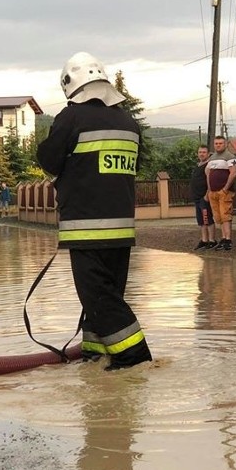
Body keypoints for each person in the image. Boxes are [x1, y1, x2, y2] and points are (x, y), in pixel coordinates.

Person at [36, 51, 152, 370]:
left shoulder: (71, 118)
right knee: (106, 294)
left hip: (86, 228)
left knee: (100, 299)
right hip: (121, 230)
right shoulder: (129, 123)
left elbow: (48, 159)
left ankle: (134, 357)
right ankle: (95, 354)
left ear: (72, 87)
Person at [205, 135, 236, 251]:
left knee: (225, 216)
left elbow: (233, 173)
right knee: (218, 217)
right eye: (216, 143)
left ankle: (228, 240)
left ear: (225, 144)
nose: (218, 145)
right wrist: (209, 190)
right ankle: (223, 238)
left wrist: (225, 188)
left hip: (224, 191)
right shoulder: (212, 157)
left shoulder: (229, 156)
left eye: (220, 143)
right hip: (213, 192)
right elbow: (208, 173)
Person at [190, 145, 216, 250]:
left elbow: (210, 181)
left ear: (208, 153)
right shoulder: (198, 165)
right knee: (201, 221)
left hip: (204, 198)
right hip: (196, 197)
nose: (201, 154)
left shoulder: (208, 166)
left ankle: (212, 240)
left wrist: (207, 194)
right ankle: (204, 240)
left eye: (204, 152)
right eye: (200, 152)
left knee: (207, 219)